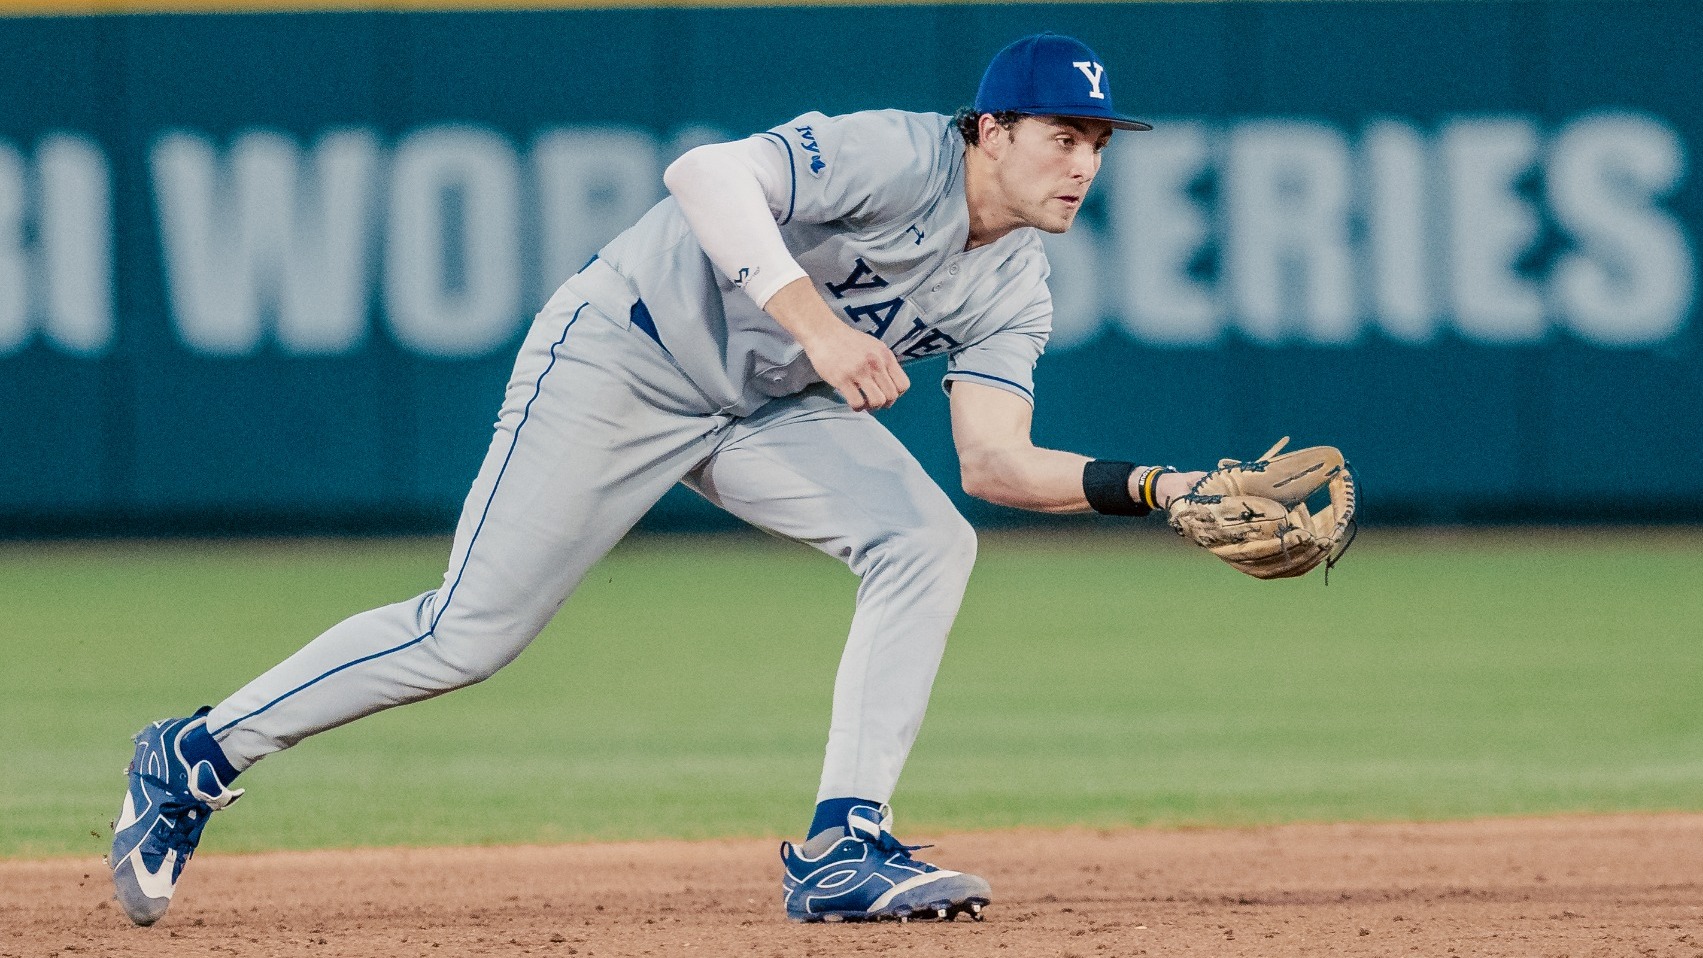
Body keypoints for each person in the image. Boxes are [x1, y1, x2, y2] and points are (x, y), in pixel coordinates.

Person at [110, 32, 1209, 926]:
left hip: (760, 409)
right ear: (988, 130)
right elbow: (702, 172)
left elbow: (993, 463)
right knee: (467, 634)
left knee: (928, 540)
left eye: (1098, 146)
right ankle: (195, 751)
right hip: (620, 356)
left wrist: (1158, 488)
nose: (1083, 166)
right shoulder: (898, 153)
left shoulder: (1016, 283)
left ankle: (842, 843)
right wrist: (816, 325)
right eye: (1062, 137)